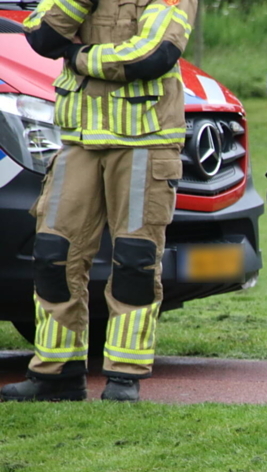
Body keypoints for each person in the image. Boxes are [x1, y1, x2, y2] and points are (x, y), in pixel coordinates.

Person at [1, 0, 195, 403]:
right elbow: (39, 35)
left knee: (135, 260)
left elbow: (152, 54)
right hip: (79, 139)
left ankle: (125, 375)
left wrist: (78, 55)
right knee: (53, 253)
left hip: (146, 139)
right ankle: (57, 374)